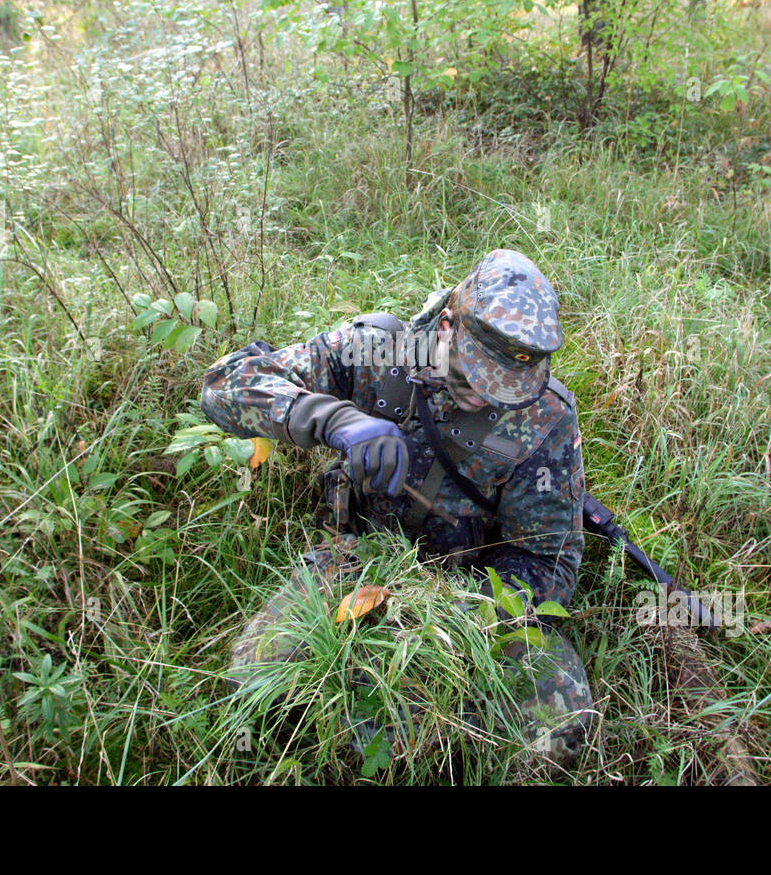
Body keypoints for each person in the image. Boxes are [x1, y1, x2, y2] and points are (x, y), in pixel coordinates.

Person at [200, 249, 595, 763]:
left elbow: (548, 561)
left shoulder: (546, 419)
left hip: (467, 590)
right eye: (475, 375)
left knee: (558, 723)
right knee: (256, 684)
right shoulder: (376, 352)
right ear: (447, 327)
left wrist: (446, 617)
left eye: (506, 389)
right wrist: (332, 419)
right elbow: (223, 382)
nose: (487, 398)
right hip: (350, 559)